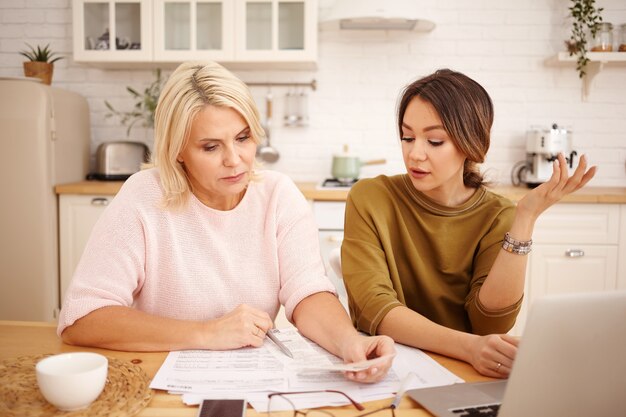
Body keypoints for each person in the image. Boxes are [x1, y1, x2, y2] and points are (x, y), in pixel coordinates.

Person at [58, 60, 394, 383]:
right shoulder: (143, 197)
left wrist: (350, 343)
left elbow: (307, 294)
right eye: (210, 147)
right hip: (159, 380)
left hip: (249, 382)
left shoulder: (279, 196)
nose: (234, 161)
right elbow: (82, 320)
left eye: (243, 138)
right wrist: (207, 333)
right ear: (178, 150)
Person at [341, 69, 596, 378]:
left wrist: (524, 218)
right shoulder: (371, 197)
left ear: (470, 143)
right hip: (387, 367)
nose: (414, 153)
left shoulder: (498, 214)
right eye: (407, 137)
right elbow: (374, 307)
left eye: (434, 141)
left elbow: (490, 324)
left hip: (468, 373)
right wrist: (469, 348)